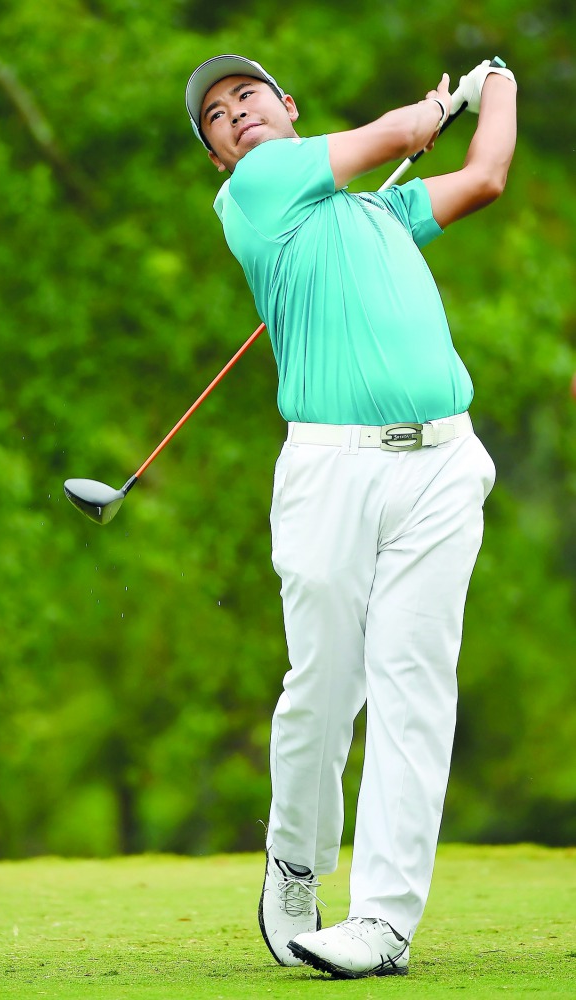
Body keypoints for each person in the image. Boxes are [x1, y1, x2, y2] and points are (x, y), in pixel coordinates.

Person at [185, 53, 517, 979]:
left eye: (247, 95)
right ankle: (296, 859)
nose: (235, 114)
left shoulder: (379, 213)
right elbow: (403, 135)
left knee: (413, 685)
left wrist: (500, 87)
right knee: (324, 688)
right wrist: (438, 103)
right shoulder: (253, 194)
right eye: (215, 115)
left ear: (287, 106)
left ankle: (380, 922)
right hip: (329, 472)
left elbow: (484, 175)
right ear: (219, 156)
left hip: (442, 465)